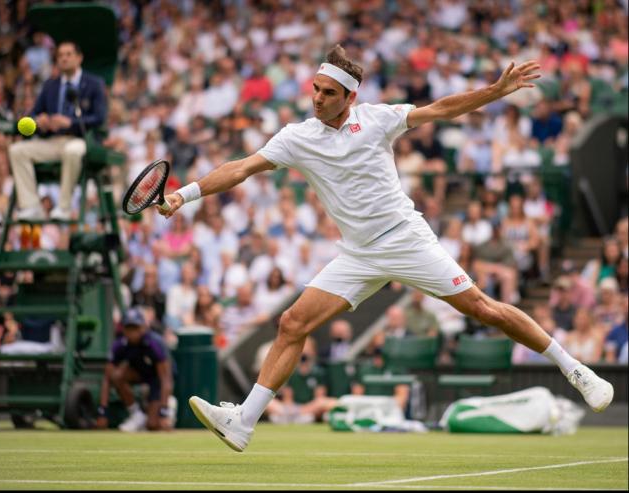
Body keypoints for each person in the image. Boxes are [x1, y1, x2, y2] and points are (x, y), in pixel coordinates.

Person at [158, 45, 613, 452]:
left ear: (349, 97)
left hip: (405, 240)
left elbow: (442, 109)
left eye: (328, 93)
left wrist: (495, 91)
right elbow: (240, 168)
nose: (318, 98)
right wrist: (184, 195)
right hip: (358, 255)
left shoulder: (377, 119)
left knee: (483, 309)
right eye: (315, 89)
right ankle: (243, 422)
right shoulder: (297, 137)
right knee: (292, 322)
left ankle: (575, 370)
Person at [8, 40, 107, 221]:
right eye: (60, 55)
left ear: (79, 58)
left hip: (80, 139)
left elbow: (99, 118)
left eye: (68, 54)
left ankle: (64, 207)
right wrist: (40, 121)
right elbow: (34, 114)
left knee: (72, 151)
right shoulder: (50, 85)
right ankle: (31, 207)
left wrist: (70, 123)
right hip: (53, 141)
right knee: (17, 150)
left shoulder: (94, 83)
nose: (64, 58)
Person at [99, 308, 175, 432]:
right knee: (115, 375)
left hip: (158, 379)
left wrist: (164, 412)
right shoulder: (119, 345)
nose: (132, 332)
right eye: (128, 328)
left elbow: (166, 379)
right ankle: (136, 414)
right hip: (139, 373)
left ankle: (169, 404)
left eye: (135, 327)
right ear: (123, 329)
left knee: (152, 425)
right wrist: (102, 412)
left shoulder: (155, 343)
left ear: (143, 327)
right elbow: (107, 377)